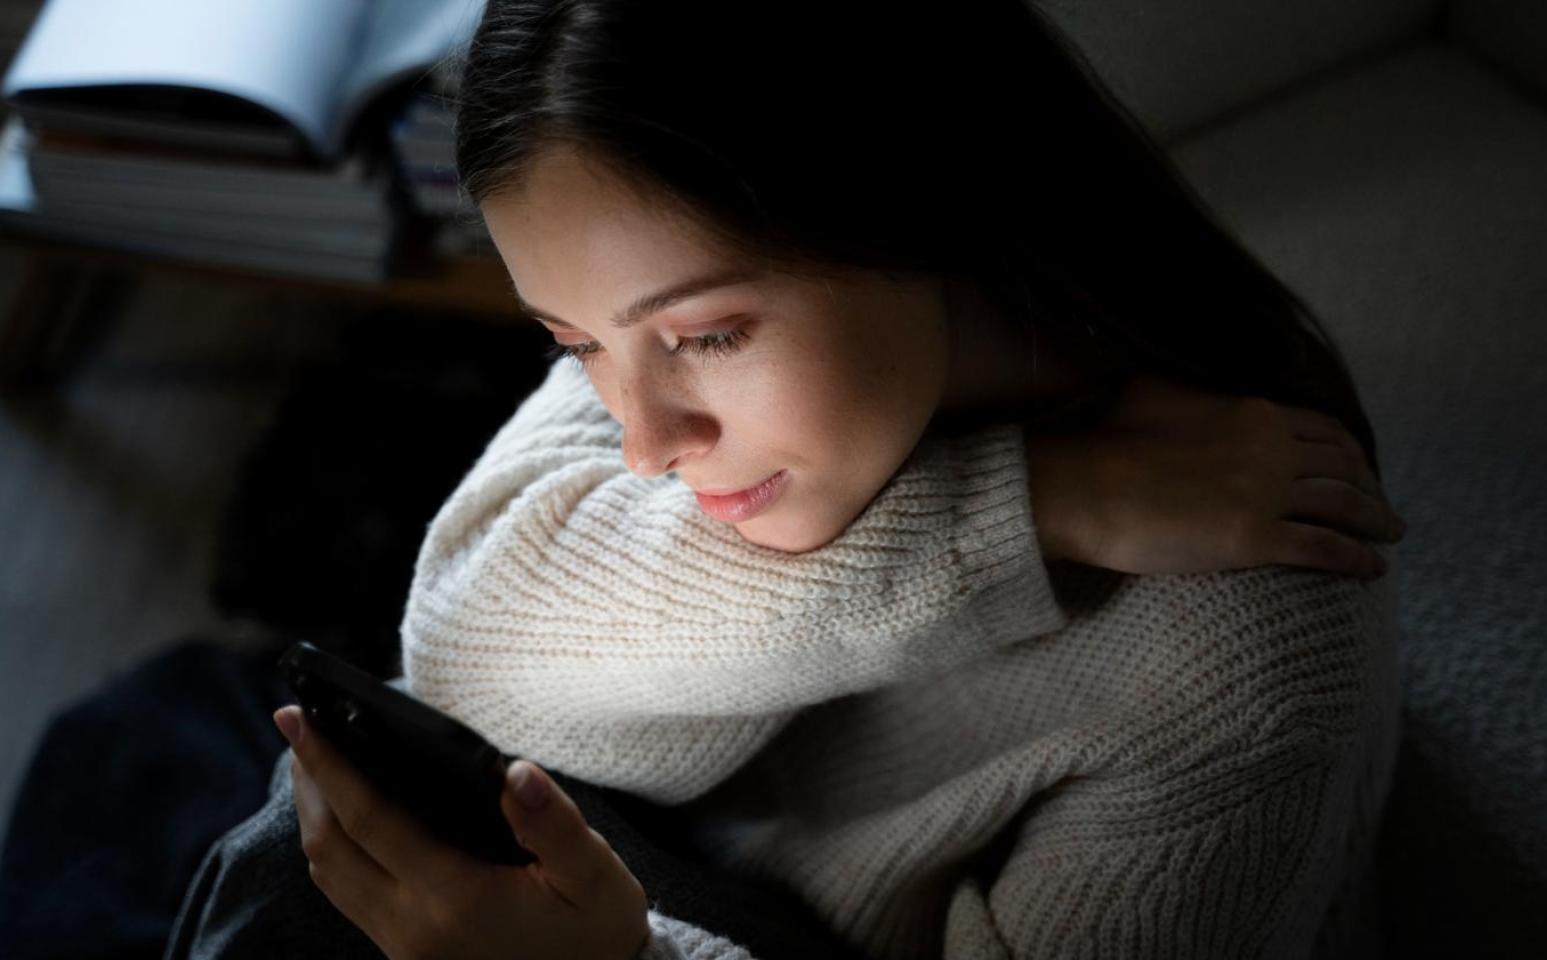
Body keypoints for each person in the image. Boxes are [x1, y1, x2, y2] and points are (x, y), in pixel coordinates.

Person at [167, 0, 1408, 957]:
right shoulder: (690, 285)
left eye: (707, 336)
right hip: (689, 841)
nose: (643, 442)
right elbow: (464, 647)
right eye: (575, 346)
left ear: (933, 200)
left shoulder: (1247, 674)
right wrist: (1027, 507)